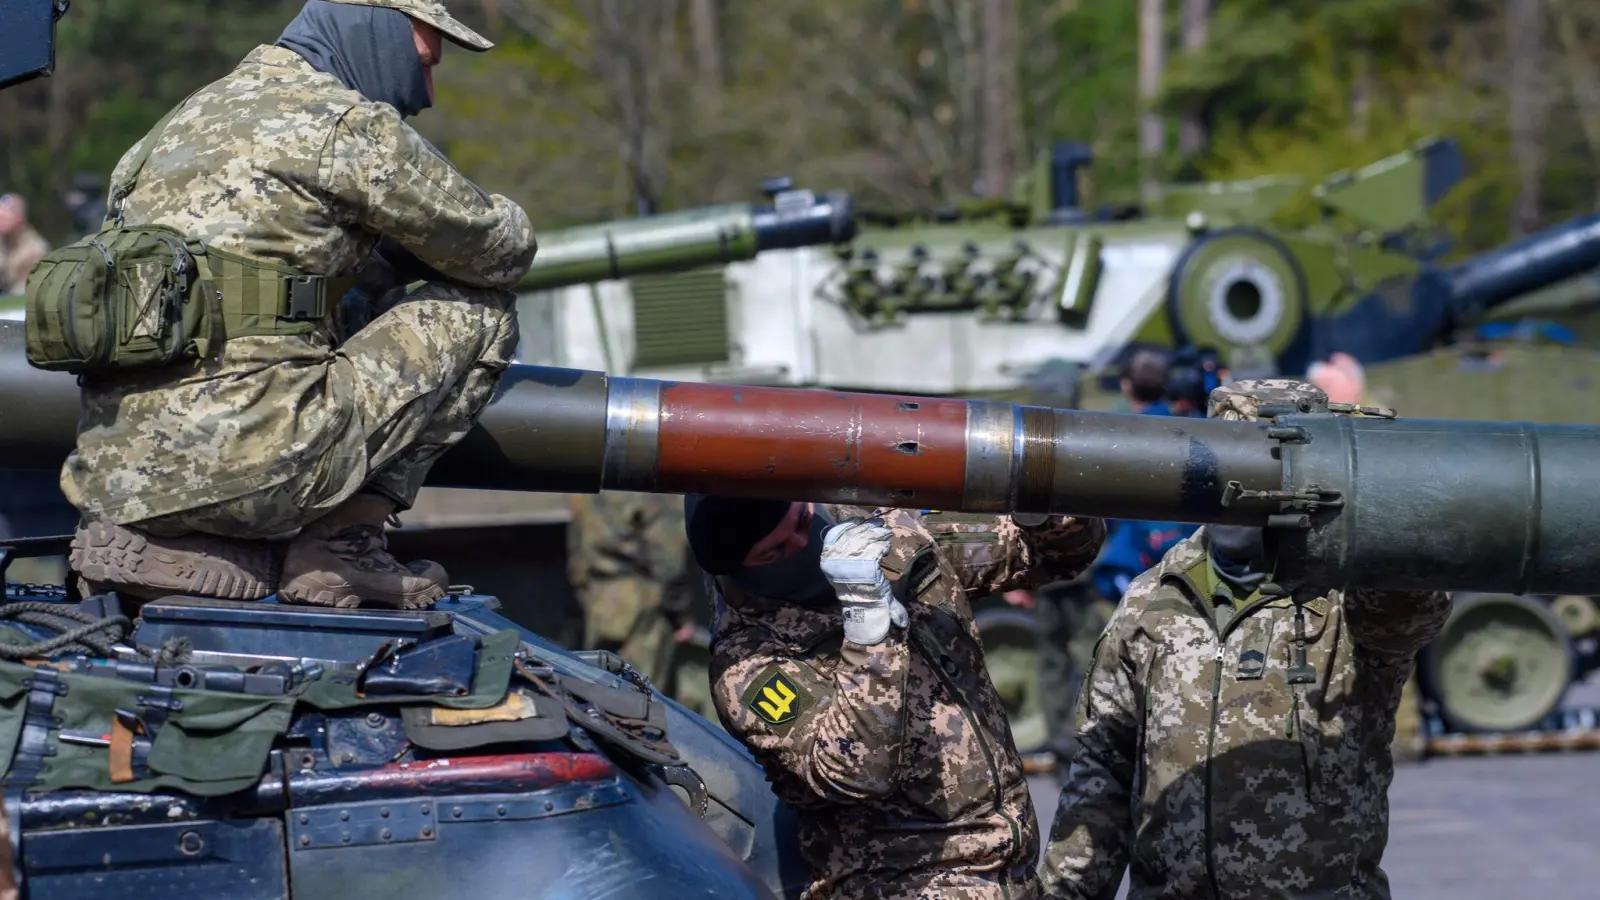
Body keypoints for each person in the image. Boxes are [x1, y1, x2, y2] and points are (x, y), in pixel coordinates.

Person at [61, 0, 537, 610]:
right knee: (483, 308)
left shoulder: (174, 126)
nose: (427, 93)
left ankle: (167, 540)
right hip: (263, 467)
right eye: (422, 62)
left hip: (113, 478)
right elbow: (500, 250)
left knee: (330, 298)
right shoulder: (344, 125)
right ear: (373, 29)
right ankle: (342, 547)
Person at [1039, 379, 1453, 900]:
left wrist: (1372, 479)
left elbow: (1410, 608)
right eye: (1223, 469)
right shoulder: (1152, 602)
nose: (1238, 495)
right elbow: (1101, 776)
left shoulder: (1346, 602)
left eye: (1264, 467)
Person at [692, 495, 1106, 899]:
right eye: (775, 552)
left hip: (1007, 868)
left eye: (803, 522)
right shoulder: (747, 665)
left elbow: (1053, 552)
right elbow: (857, 772)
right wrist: (867, 624)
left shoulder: (882, 533)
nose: (805, 547)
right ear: (739, 572)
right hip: (904, 883)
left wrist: (1035, 501)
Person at [1019, 345, 1194, 765]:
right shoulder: (1099, 432)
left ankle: (1075, 736)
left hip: (1065, 566)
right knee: (1079, 653)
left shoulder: (1095, 434)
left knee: (1070, 653)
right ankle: (1079, 736)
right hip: (1083, 564)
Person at [1308, 352, 1430, 761]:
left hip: (1374, 553)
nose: (1321, 397)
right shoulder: (1350, 420)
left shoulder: (1372, 420)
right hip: (1354, 554)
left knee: (1386, 648)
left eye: (1328, 388)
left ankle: (1404, 738)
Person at [566, 491, 696, 694]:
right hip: (644, 603)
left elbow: (577, 545)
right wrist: (678, 613)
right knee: (643, 695)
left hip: (598, 598)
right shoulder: (653, 490)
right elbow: (668, 559)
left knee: (600, 687)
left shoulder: (591, 487)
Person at [0, 193, 49, 295]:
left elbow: (21, 293)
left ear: (19, 218)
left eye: (4, 217)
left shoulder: (34, 250)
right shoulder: (4, 242)